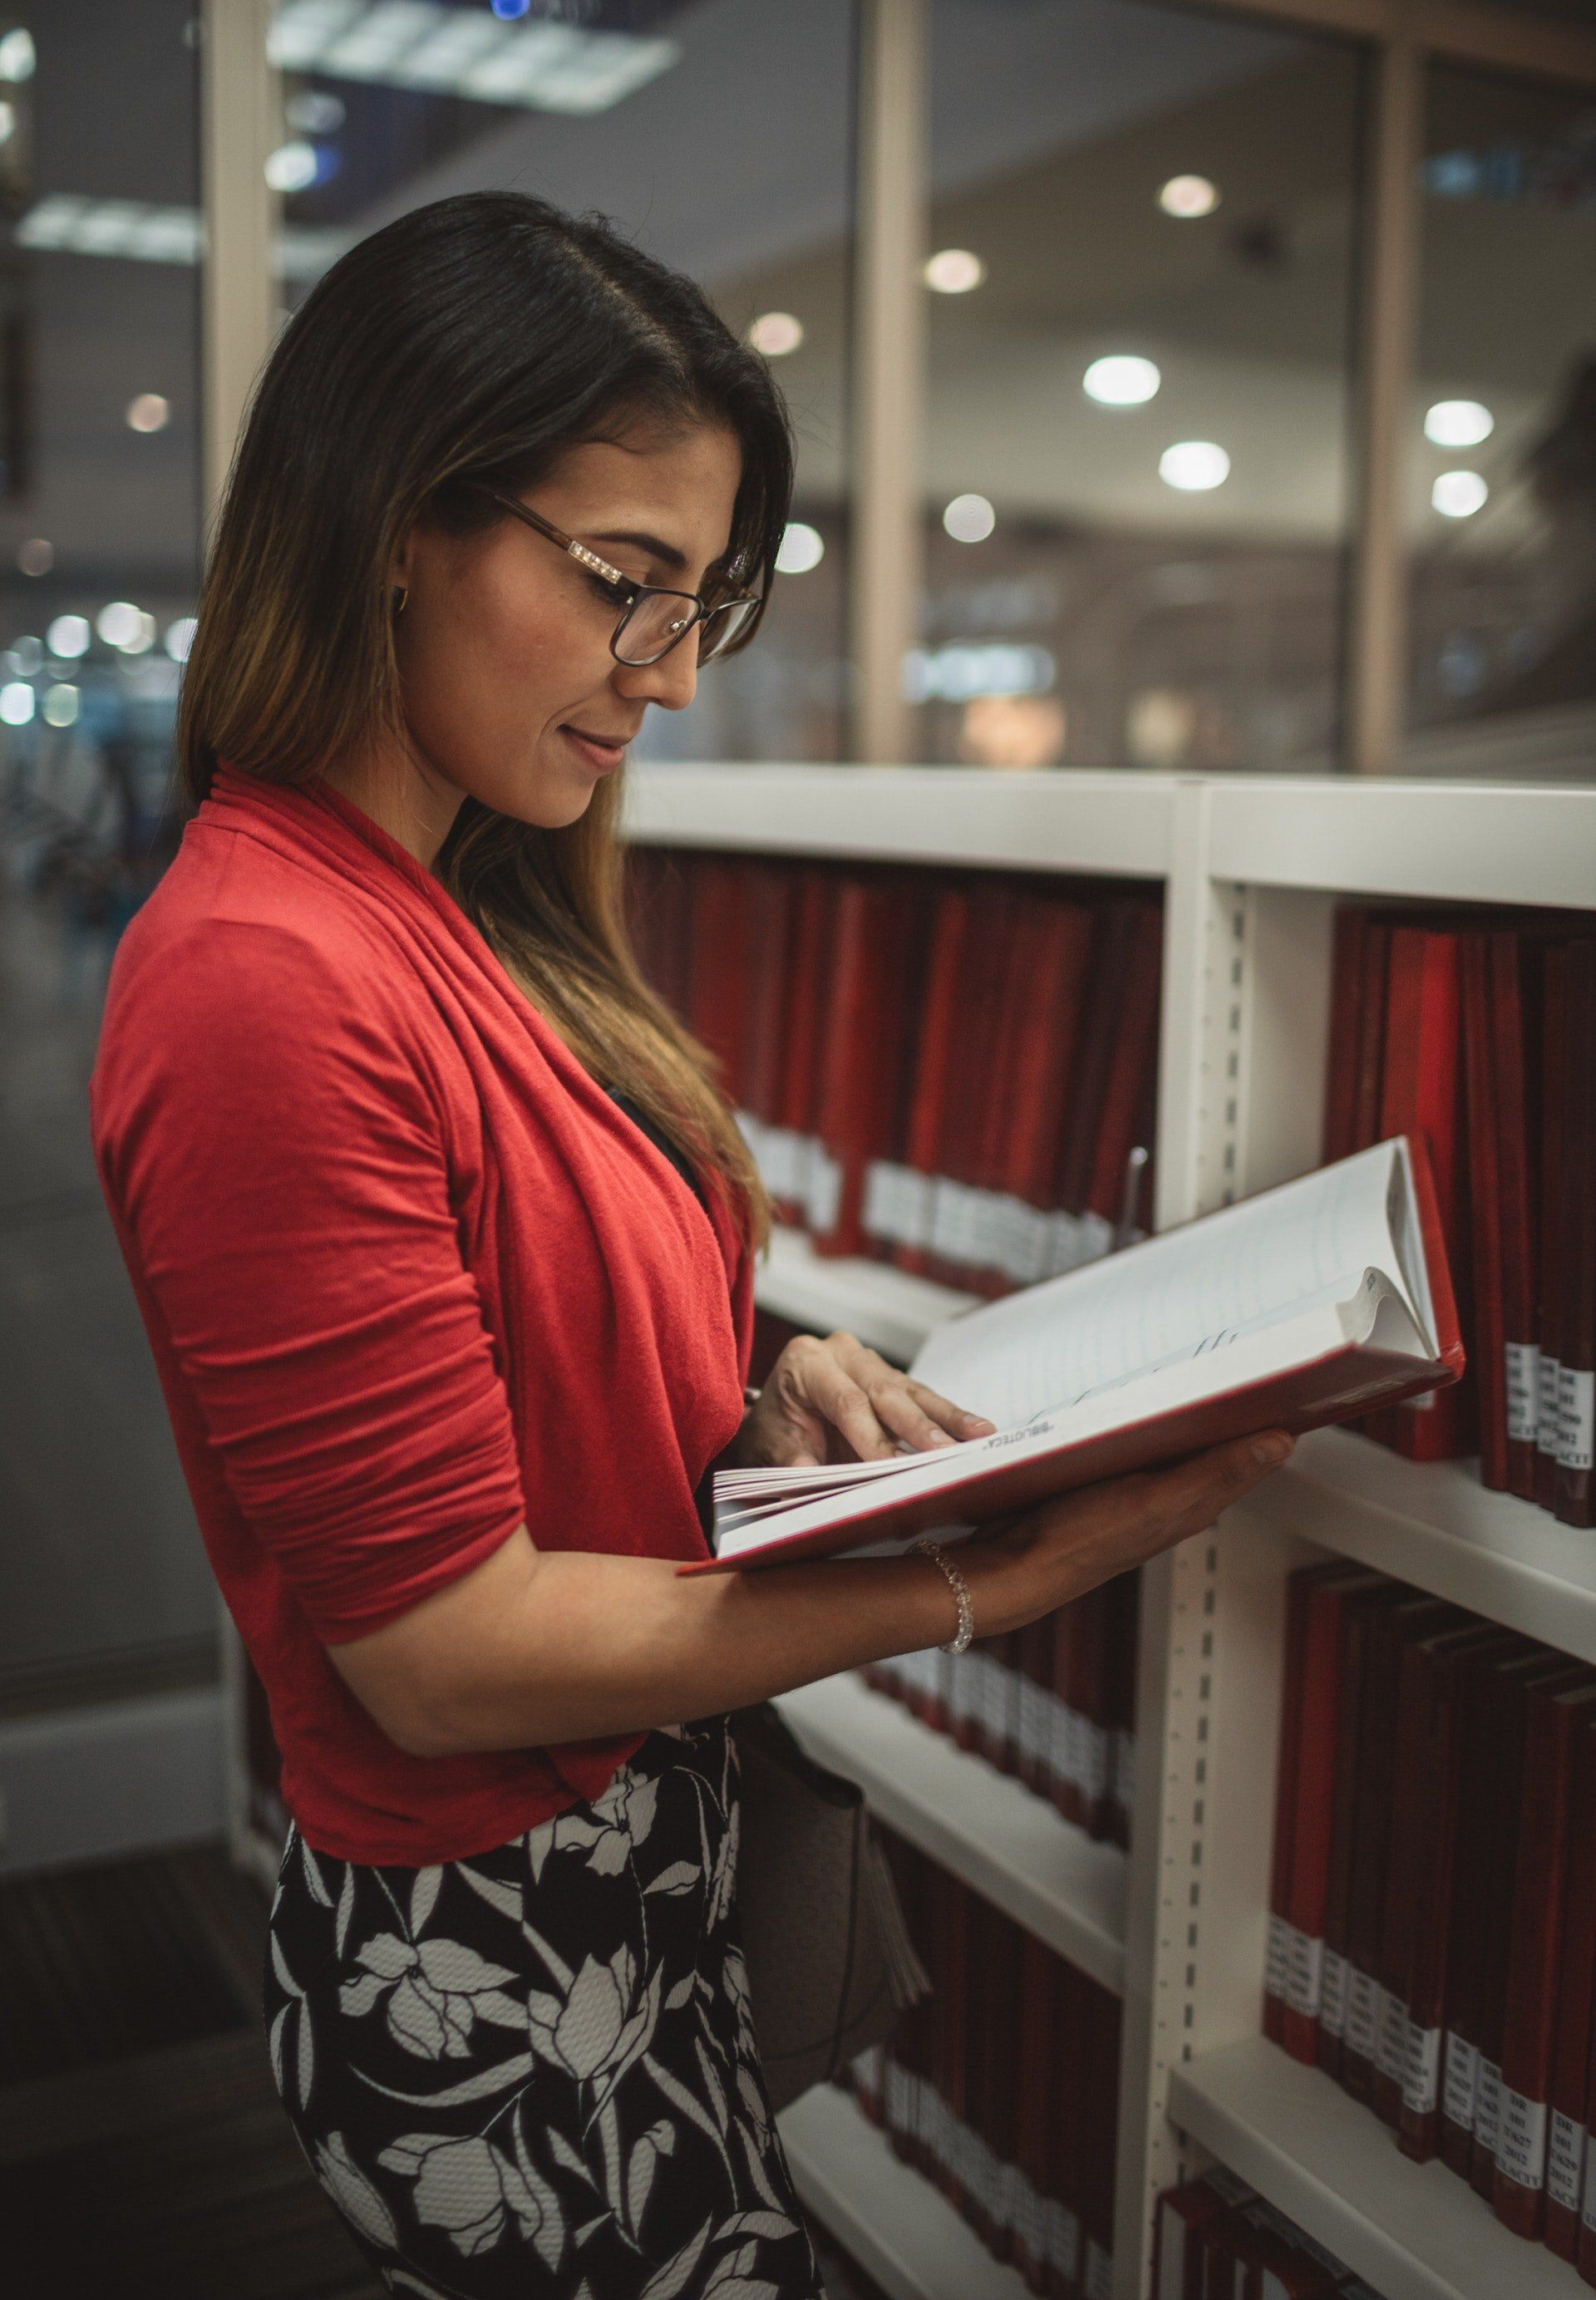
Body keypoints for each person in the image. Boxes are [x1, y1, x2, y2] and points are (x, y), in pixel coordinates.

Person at [87, 190, 1293, 2300]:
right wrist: (985, 1576)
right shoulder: (270, 972)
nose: (666, 673)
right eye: (626, 585)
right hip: (485, 1962)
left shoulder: (463, 915)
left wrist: (764, 1375)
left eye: (704, 606)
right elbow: (445, 1657)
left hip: (632, 1875)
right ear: (392, 515)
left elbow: (536, 1339)